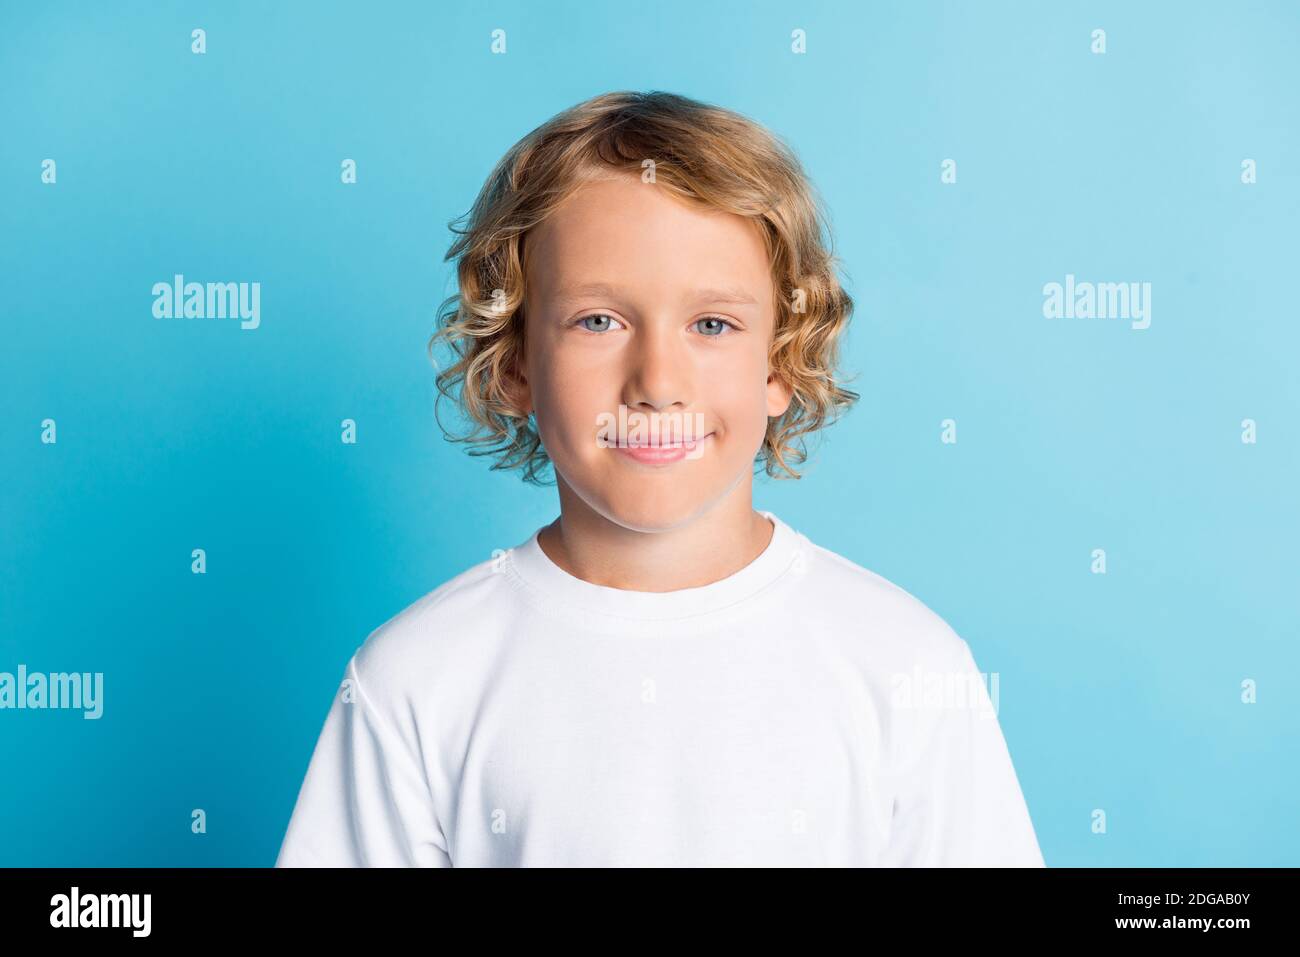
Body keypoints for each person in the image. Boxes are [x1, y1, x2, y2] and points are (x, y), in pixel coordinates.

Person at [275, 90, 1045, 867]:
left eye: (712, 324)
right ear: (514, 363)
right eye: (598, 320)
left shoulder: (907, 667)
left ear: (780, 360)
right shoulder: (413, 680)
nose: (657, 381)